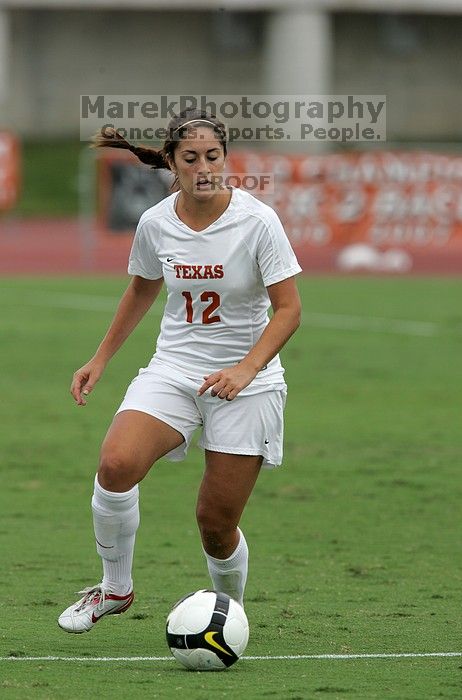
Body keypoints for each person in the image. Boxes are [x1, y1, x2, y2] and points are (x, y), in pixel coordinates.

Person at [58, 109, 302, 633]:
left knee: (216, 526)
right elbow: (142, 287)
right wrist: (100, 358)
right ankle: (114, 588)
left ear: (226, 158)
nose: (204, 167)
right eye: (191, 158)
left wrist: (245, 368)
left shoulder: (258, 222)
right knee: (116, 463)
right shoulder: (156, 221)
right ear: (171, 162)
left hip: (248, 383)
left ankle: (227, 617)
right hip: (174, 368)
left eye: (213, 156)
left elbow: (289, 310)